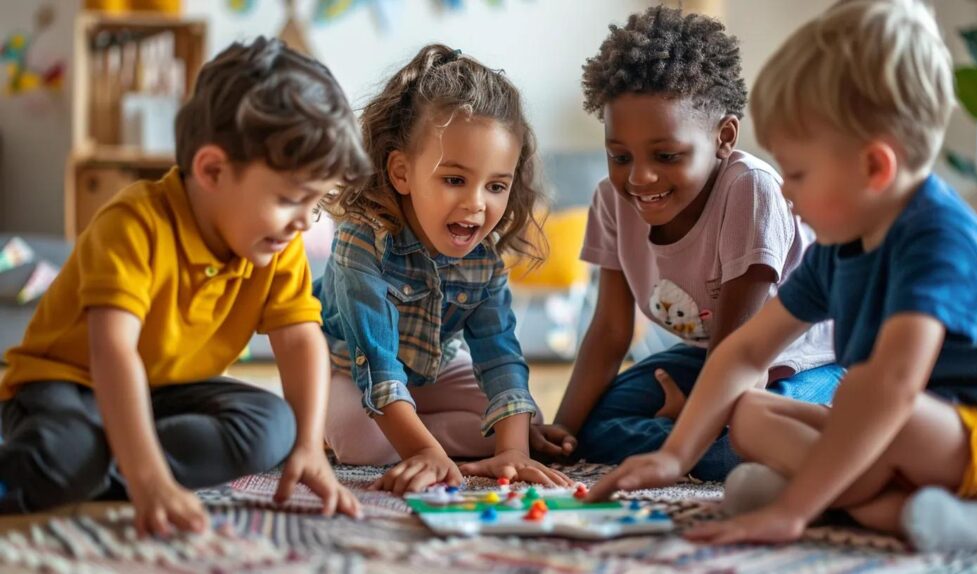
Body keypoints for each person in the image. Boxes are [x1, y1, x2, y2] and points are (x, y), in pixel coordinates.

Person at [591, 0, 977, 552]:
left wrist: (792, 512)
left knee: (872, 398)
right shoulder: (841, 246)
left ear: (874, 167)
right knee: (748, 412)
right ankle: (900, 509)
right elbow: (744, 351)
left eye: (796, 173)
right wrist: (675, 454)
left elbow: (890, 390)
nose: (786, 193)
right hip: (915, 446)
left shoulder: (941, 242)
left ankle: (845, 499)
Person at [0, 37, 370, 535]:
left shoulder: (277, 241)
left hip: (165, 392)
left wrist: (308, 446)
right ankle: (103, 464)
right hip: (67, 383)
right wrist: (150, 475)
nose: (304, 222)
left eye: (317, 204)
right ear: (213, 170)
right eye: (290, 199)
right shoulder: (134, 223)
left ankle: (102, 465)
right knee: (66, 450)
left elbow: (301, 338)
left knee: (270, 426)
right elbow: (112, 352)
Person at [530, 6, 839, 480]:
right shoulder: (612, 201)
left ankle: (830, 436)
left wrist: (691, 418)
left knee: (745, 434)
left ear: (724, 137)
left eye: (666, 155)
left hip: (804, 365)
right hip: (712, 362)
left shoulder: (749, 189)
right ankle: (705, 444)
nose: (639, 177)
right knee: (595, 428)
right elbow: (611, 331)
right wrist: (562, 434)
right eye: (619, 155)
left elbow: (739, 349)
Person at [317, 44, 571, 495]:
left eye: (496, 186)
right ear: (401, 172)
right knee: (359, 442)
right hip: (347, 371)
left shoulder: (484, 262)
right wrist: (423, 453)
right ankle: (416, 437)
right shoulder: (363, 241)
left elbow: (500, 357)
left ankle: (433, 435)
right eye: (455, 179)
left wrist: (513, 452)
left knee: (517, 421)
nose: (476, 203)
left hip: (435, 371)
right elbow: (375, 362)